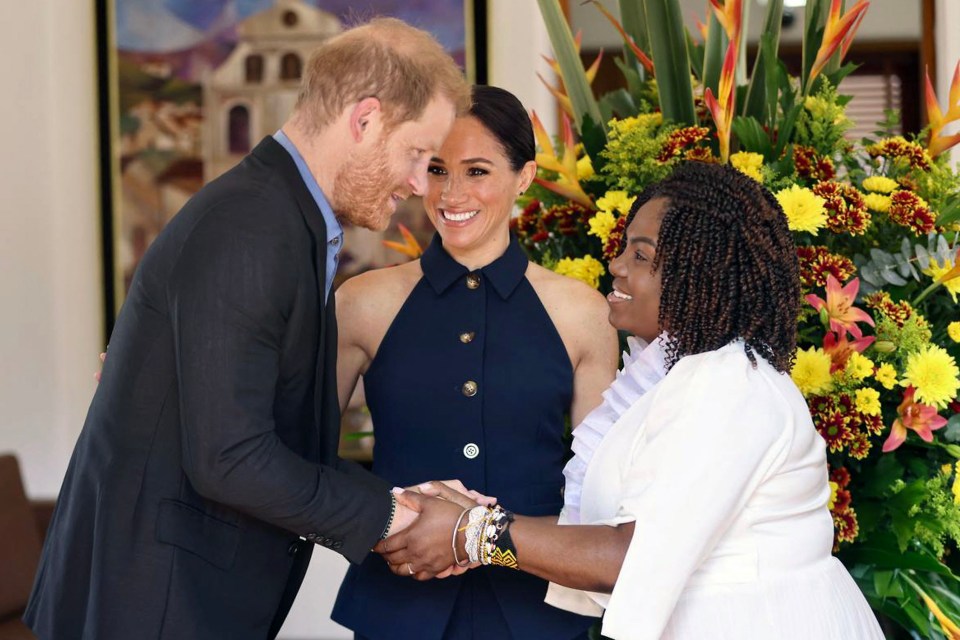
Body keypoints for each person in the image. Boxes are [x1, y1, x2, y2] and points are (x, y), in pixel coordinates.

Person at [24, 18, 470, 640]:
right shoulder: (253, 227)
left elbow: (257, 434)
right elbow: (230, 458)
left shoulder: (282, 218)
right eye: (417, 155)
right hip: (153, 606)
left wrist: (405, 500)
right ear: (365, 121)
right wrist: (394, 515)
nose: (419, 184)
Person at [379, 162, 886, 640]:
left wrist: (472, 532)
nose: (616, 265)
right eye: (625, 247)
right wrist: (467, 519)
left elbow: (631, 556)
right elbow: (614, 531)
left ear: (699, 275)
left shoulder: (726, 385)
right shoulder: (684, 373)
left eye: (641, 256)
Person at [329, 85, 619, 639]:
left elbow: (598, 496)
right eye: (437, 169)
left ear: (526, 176)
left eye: (478, 171)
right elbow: (302, 455)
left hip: (538, 612)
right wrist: (393, 519)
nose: (451, 193)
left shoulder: (583, 313)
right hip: (397, 604)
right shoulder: (361, 302)